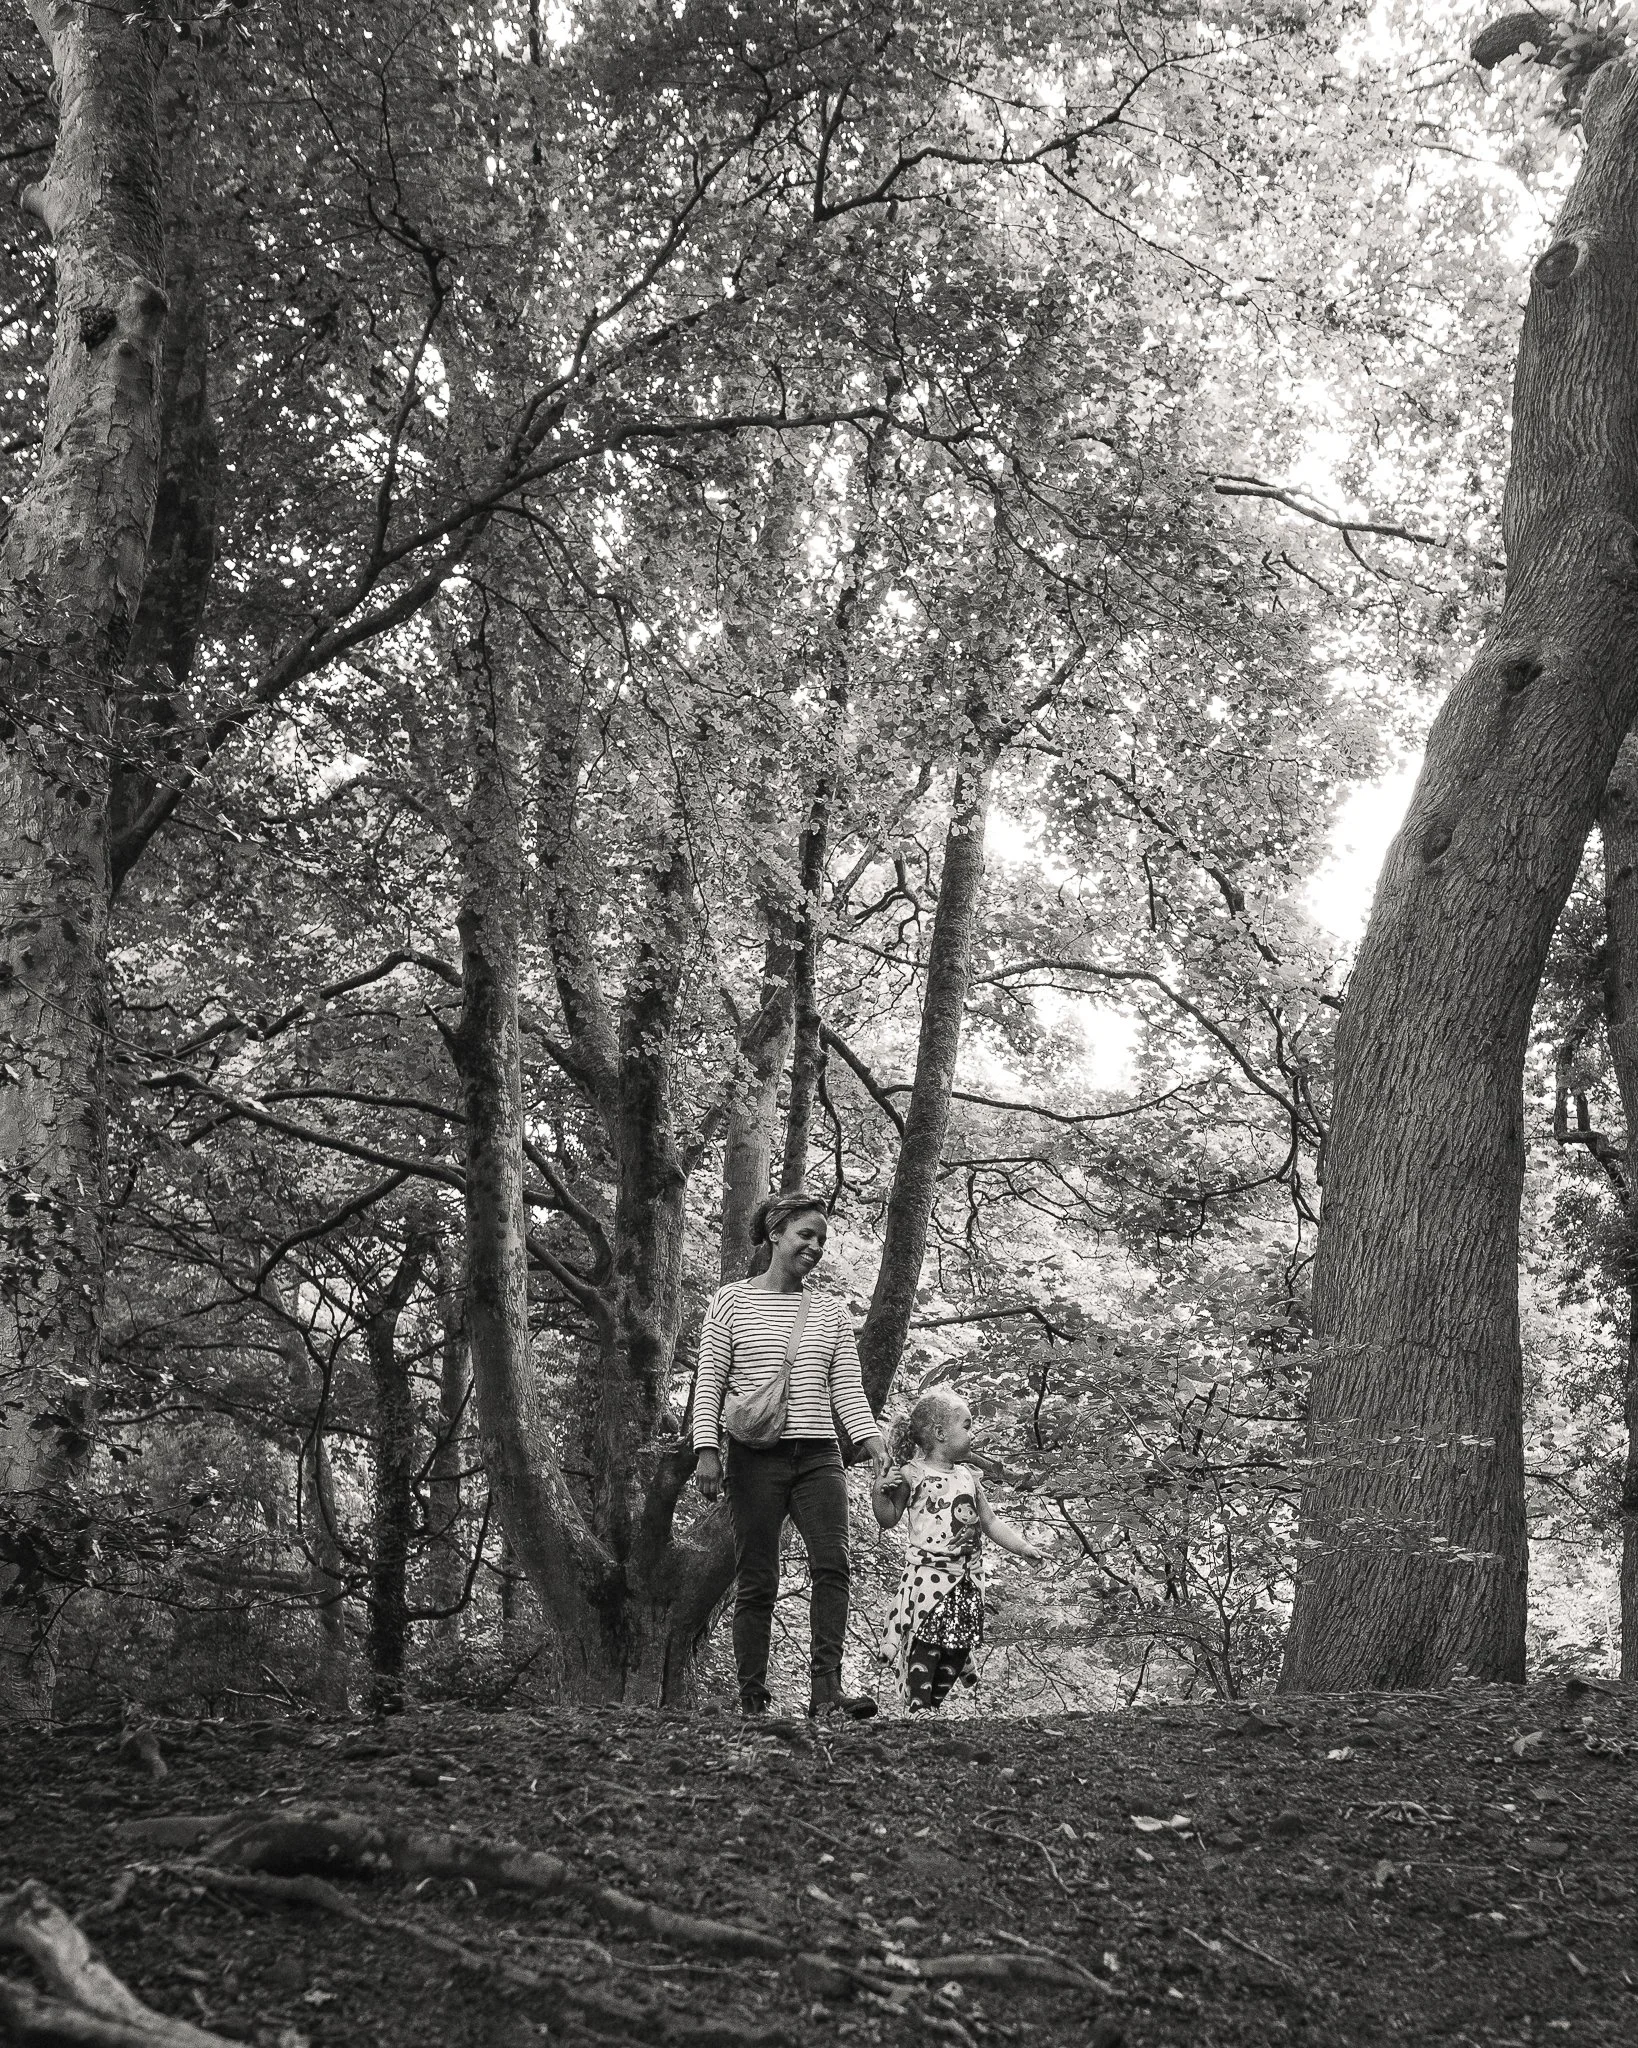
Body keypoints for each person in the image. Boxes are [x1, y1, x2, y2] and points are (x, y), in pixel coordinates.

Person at [693, 1190, 888, 1719]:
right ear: (776, 1234)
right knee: (758, 1577)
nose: (815, 1246)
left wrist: (870, 1441)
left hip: (819, 1455)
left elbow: (845, 1384)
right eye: (806, 1234)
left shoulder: (827, 1310)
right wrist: (706, 1449)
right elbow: (710, 1379)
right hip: (755, 1459)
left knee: (834, 1564)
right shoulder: (731, 1301)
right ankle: (752, 1698)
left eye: (822, 1239)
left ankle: (826, 1693)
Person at [872, 1388, 1045, 1712]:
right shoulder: (913, 1473)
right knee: (927, 1642)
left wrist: (1023, 1547)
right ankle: (919, 1707)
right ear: (940, 1433)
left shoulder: (967, 1476)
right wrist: (881, 1493)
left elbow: (990, 1522)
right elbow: (887, 1519)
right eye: (966, 1425)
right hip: (929, 1577)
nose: (972, 1432)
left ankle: (929, 1709)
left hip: (967, 1577)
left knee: (956, 1648)